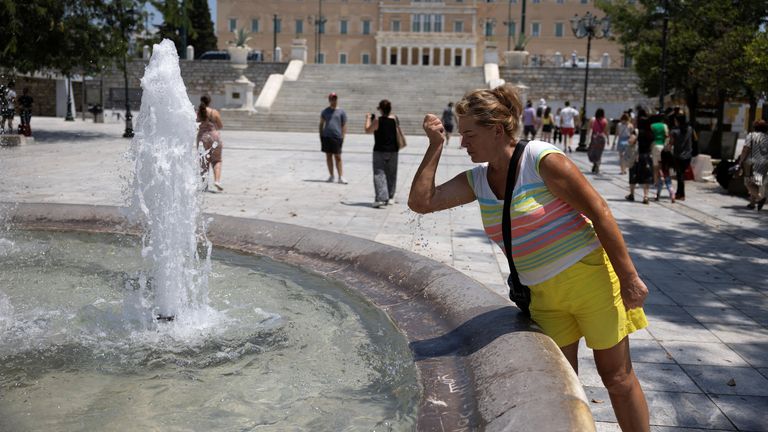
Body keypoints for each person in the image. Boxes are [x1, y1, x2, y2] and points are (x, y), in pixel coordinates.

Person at [409, 84, 650, 432]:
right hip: (543, 298)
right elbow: (422, 202)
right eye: (461, 136)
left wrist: (629, 277)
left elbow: (600, 212)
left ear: (496, 129)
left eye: (470, 134)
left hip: (590, 282)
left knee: (617, 378)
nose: (464, 143)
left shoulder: (541, 160)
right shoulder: (478, 180)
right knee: (561, 389)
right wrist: (435, 146)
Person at [365, 99, 400, 208]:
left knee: (379, 173)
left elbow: (367, 130)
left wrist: (367, 119)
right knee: (392, 174)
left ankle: (380, 198)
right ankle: (390, 197)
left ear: (380, 109)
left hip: (380, 150)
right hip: (393, 150)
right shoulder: (395, 119)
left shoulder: (377, 121)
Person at [736, 119, 768, 210]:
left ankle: (760, 198)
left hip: (752, 162)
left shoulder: (751, 136)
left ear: (755, 127)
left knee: (748, 183)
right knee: (756, 183)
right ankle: (752, 203)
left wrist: (741, 161)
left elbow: (746, 149)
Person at [196, 95, 224, 191]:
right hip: (214, 137)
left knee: (204, 161)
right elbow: (220, 125)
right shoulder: (214, 112)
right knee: (217, 160)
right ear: (210, 101)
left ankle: (205, 185)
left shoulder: (198, 113)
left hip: (202, 138)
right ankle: (217, 181)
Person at [626, 111, 654, 205]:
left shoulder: (637, 131)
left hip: (637, 157)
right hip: (647, 156)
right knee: (647, 177)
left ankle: (632, 194)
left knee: (633, 175)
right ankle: (646, 196)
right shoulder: (650, 132)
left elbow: (631, 141)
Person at [320, 92, 348, 184]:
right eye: (332, 98)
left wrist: (343, 136)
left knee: (338, 157)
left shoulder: (341, 112)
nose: (333, 100)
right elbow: (321, 124)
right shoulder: (325, 111)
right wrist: (321, 135)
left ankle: (341, 177)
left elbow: (344, 125)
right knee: (328, 156)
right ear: (329, 100)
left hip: (337, 137)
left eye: (335, 98)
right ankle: (331, 175)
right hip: (327, 136)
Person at [670, 114, 694, 201]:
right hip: (688, 156)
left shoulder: (674, 131)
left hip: (678, 155)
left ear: (678, 121)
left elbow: (671, 143)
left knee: (680, 176)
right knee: (681, 175)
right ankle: (678, 193)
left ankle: (681, 194)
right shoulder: (690, 129)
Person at [650, 113, 668, 194]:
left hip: (654, 145)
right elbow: (667, 135)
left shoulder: (652, 126)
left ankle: (655, 182)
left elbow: (650, 136)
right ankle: (663, 178)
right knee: (662, 164)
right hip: (662, 145)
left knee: (655, 166)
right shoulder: (664, 126)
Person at [587, 108, 609, 174]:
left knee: (592, 151)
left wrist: (587, 138)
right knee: (599, 153)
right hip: (601, 138)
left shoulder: (592, 120)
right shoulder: (605, 121)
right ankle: (597, 165)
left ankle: (595, 163)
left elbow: (589, 129)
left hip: (594, 137)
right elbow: (606, 131)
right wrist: (608, 139)